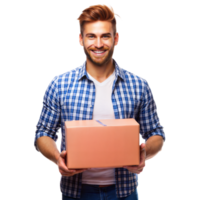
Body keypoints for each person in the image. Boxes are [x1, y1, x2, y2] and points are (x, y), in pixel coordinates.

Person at [33, 3, 167, 200]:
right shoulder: (59, 84)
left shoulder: (140, 85)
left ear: (116, 39)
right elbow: (42, 134)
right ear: (80, 39)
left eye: (105, 36)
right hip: (75, 193)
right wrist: (57, 158)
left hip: (124, 192)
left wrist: (143, 153)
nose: (98, 44)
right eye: (91, 36)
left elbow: (156, 133)